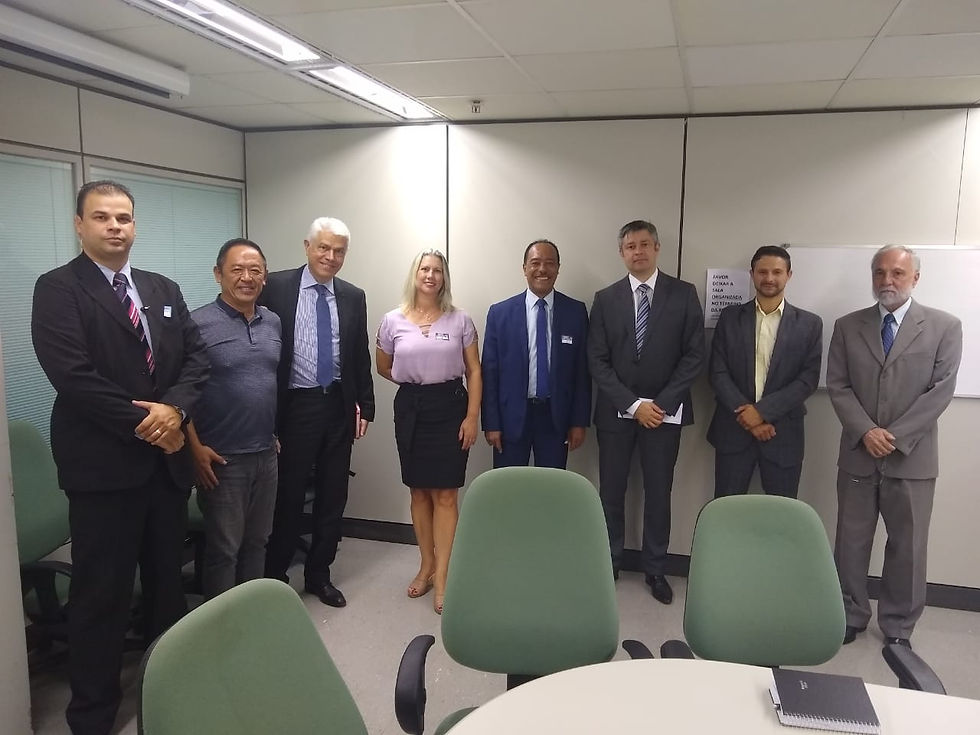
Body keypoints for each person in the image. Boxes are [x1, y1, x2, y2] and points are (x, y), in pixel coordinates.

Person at [31, 180, 209, 735]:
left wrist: (175, 412)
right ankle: (92, 714)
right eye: (102, 217)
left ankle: (168, 691)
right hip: (104, 473)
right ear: (79, 225)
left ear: (135, 225)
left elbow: (197, 361)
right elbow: (74, 377)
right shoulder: (58, 289)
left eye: (124, 218)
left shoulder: (161, 287)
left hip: (165, 472)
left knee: (166, 589)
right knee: (101, 598)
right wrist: (153, 427)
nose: (115, 226)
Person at [827, 244, 961, 649]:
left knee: (908, 546)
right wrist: (866, 431)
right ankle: (850, 614)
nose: (887, 280)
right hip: (858, 453)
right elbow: (838, 385)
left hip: (912, 459)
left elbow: (940, 391)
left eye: (897, 273)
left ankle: (899, 625)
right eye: (880, 272)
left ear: (915, 278)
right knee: (850, 542)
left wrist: (895, 437)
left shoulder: (944, 327)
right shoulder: (848, 326)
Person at [260, 217, 375, 608]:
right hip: (295, 407)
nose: (330, 256)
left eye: (339, 251)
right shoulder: (275, 286)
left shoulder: (353, 295)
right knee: (288, 496)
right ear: (307, 246)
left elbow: (359, 354)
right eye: (323, 247)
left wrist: (367, 405)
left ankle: (319, 576)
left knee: (332, 495)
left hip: (338, 404)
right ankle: (275, 578)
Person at [587, 219, 704, 605]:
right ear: (621, 253)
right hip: (617, 413)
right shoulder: (605, 299)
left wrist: (660, 404)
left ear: (656, 248)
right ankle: (609, 562)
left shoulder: (683, 294)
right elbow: (597, 359)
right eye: (630, 246)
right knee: (611, 491)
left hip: (664, 416)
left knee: (658, 493)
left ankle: (655, 568)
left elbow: (694, 356)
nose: (637, 252)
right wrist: (634, 405)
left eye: (643, 244)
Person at [376, 249, 481, 614]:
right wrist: (415, 383)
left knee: (446, 495)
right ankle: (427, 566)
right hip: (412, 409)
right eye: (425, 268)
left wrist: (472, 416)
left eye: (438, 270)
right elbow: (383, 366)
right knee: (419, 492)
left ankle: (445, 576)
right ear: (415, 274)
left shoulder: (460, 319)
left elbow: (474, 371)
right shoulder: (392, 320)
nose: (431, 275)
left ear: (444, 278)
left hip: (451, 408)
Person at [185, 239, 281, 599]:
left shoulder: (273, 322)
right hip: (222, 459)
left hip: (265, 453)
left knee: (258, 542)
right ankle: (221, 625)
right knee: (224, 551)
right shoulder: (197, 324)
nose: (246, 277)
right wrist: (194, 449)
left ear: (265, 276)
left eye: (255, 270)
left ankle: (250, 615)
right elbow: (181, 392)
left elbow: (266, 382)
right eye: (237, 269)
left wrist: (272, 434)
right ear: (218, 274)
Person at [707, 245, 822, 498]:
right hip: (733, 432)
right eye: (762, 272)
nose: (769, 278)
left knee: (782, 513)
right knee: (727, 511)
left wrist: (761, 413)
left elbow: (807, 380)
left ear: (789, 275)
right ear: (752, 274)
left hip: (783, 434)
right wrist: (748, 417)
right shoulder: (730, 317)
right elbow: (718, 372)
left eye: (777, 272)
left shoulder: (809, 324)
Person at [481, 239, 591, 468]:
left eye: (550, 263)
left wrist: (579, 421)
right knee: (509, 485)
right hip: (510, 419)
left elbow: (582, 372)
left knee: (551, 485)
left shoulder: (575, 312)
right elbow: (490, 374)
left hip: (556, 418)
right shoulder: (500, 314)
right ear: (524, 268)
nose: (542, 269)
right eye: (535, 263)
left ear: (558, 269)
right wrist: (491, 423)